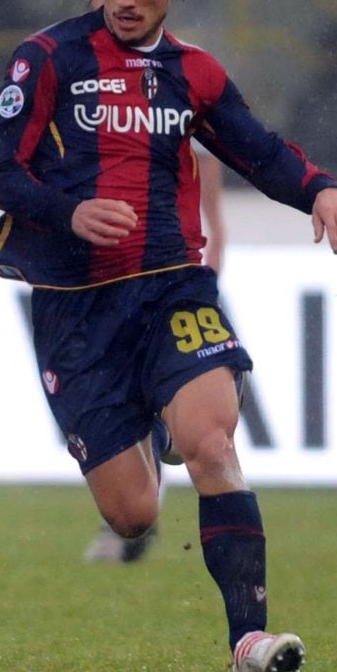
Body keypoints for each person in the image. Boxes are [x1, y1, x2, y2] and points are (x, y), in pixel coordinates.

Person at [0, 0, 337, 672]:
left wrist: (321, 188)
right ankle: (153, 423)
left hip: (171, 287)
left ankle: (249, 643)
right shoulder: (48, 57)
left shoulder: (193, 73)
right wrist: (68, 209)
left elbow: (257, 150)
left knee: (213, 442)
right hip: (73, 304)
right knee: (132, 515)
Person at [83, 142, 225, 563]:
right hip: (111, 272)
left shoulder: (176, 85)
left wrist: (213, 244)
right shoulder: (93, 92)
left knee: (170, 396)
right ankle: (134, 515)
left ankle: (137, 519)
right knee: (115, 398)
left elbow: (208, 162)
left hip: (172, 271)